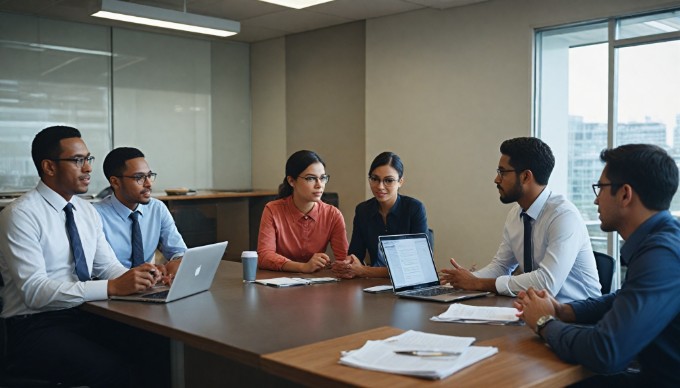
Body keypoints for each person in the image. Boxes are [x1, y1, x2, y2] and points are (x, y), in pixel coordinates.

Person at [0, 126, 164, 387]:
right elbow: (34, 292)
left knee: (156, 348)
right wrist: (111, 287)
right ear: (49, 167)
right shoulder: (20, 215)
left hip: (85, 314)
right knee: (113, 370)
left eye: (88, 159)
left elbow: (106, 265)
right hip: (34, 326)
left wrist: (140, 277)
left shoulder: (85, 210)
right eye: (78, 160)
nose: (88, 168)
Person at [514, 144, 680, 387]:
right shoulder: (664, 240)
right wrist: (565, 311)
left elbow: (606, 351)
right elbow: (625, 297)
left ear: (625, 194)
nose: (595, 199)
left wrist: (544, 323)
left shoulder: (661, 255)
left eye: (600, 188)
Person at [440, 137, 601, 302]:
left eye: (502, 172)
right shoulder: (516, 213)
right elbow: (501, 267)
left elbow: (546, 283)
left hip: (579, 316)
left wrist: (478, 283)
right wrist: (464, 280)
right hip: (538, 311)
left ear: (525, 176)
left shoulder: (563, 216)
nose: (496, 179)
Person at [94, 147, 187, 281]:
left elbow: (178, 251)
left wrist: (175, 264)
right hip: (112, 288)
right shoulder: (96, 215)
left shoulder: (157, 208)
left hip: (151, 285)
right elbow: (101, 269)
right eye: (139, 178)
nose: (148, 184)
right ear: (115, 182)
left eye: (149, 176)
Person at [332, 152, 428, 278]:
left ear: (400, 182)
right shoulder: (363, 210)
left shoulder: (414, 208)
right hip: (374, 285)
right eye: (375, 179)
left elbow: (418, 265)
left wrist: (364, 271)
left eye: (388, 180)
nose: (380, 186)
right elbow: (356, 255)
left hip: (409, 285)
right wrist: (347, 265)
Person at [257, 150, 348, 273]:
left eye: (323, 178)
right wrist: (303, 267)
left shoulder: (333, 214)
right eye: (311, 178)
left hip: (316, 286)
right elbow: (264, 256)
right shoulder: (272, 210)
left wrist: (346, 265)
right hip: (278, 283)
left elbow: (343, 259)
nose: (319, 185)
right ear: (291, 181)